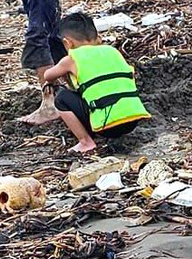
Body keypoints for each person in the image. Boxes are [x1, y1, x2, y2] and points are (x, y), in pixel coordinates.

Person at [41, 12, 149, 153]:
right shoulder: (113, 51)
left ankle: (85, 142)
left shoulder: (72, 59)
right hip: (133, 120)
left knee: (62, 98)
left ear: (68, 43)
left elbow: (47, 75)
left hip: (107, 127)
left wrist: (54, 78)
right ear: (98, 37)